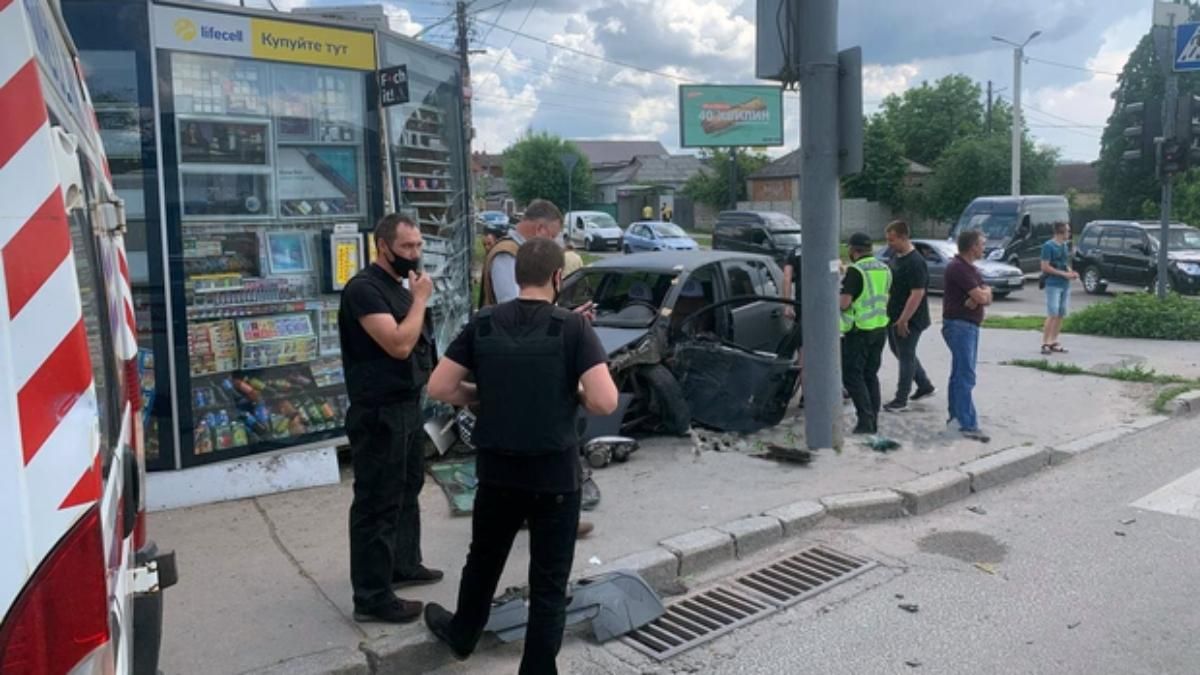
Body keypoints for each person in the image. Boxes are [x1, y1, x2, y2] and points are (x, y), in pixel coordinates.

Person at [424, 238, 619, 674]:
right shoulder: (573, 328)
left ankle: (462, 635)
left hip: (498, 473)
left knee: (484, 559)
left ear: (515, 277)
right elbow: (606, 402)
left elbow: (439, 387)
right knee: (548, 581)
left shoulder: (485, 322)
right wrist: (575, 392)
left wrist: (480, 394)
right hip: (554, 477)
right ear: (556, 277)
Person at [338, 214, 443, 624]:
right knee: (377, 502)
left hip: (406, 405)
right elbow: (399, 344)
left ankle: (403, 563)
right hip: (378, 411)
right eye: (407, 248)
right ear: (383, 247)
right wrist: (420, 300)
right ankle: (372, 596)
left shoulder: (398, 289)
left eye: (418, 246)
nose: (415, 255)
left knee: (407, 487)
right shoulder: (365, 290)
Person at [478, 198, 597, 538]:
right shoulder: (506, 254)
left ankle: (542, 513)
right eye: (556, 236)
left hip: (524, 359)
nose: (557, 243)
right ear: (542, 229)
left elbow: (531, 313)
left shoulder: (519, 254)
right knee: (531, 439)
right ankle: (535, 515)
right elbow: (513, 312)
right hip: (512, 363)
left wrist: (567, 320)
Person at [942, 229, 993, 443]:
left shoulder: (970, 269)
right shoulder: (959, 268)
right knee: (966, 375)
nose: (984, 248)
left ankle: (956, 416)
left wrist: (982, 296)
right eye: (982, 244)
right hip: (960, 326)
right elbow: (981, 294)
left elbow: (986, 294)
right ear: (972, 246)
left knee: (959, 374)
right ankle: (967, 423)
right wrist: (980, 296)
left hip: (967, 325)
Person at [839, 232, 892, 434]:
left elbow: (845, 304)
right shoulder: (884, 268)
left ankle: (865, 421)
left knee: (852, 376)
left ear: (854, 250)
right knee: (870, 375)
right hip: (880, 328)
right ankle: (873, 421)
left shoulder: (856, 270)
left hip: (859, 330)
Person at [882, 221, 936, 412]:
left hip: (911, 318)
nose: (889, 244)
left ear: (904, 237)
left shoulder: (915, 262)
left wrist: (904, 319)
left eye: (892, 240)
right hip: (894, 314)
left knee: (905, 355)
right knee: (899, 351)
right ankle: (924, 384)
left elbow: (917, 293)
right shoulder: (896, 256)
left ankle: (900, 400)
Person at [480, 199, 565, 308]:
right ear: (539, 229)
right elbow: (514, 310)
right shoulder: (506, 253)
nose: (552, 242)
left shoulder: (522, 252)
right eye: (552, 236)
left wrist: (565, 319)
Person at [1040, 221, 1077, 354]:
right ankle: (1045, 342)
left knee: (1061, 312)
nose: (1069, 233)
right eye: (1067, 231)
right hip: (1053, 284)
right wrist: (1063, 274)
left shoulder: (1065, 246)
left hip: (1064, 284)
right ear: (1060, 232)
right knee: (1053, 312)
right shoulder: (1048, 246)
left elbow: (1064, 263)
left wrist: (1070, 272)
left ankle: (1054, 340)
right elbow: (1045, 266)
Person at [781, 246, 804, 405]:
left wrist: (787, 304)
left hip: (802, 305)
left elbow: (787, 278)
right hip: (825, 308)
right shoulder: (828, 247)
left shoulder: (795, 252)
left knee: (804, 353)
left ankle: (807, 395)